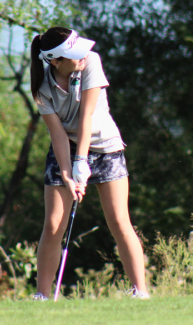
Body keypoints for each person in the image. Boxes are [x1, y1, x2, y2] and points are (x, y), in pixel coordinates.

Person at [29, 27, 149, 300]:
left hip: (105, 147)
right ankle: (42, 296)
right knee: (53, 225)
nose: (83, 55)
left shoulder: (91, 62)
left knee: (120, 221)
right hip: (65, 149)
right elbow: (57, 134)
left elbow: (87, 115)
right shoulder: (41, 87)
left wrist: (81, 161)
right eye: (74, 53)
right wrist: (67, 173)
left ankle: (140, 293)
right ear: (55, 61)